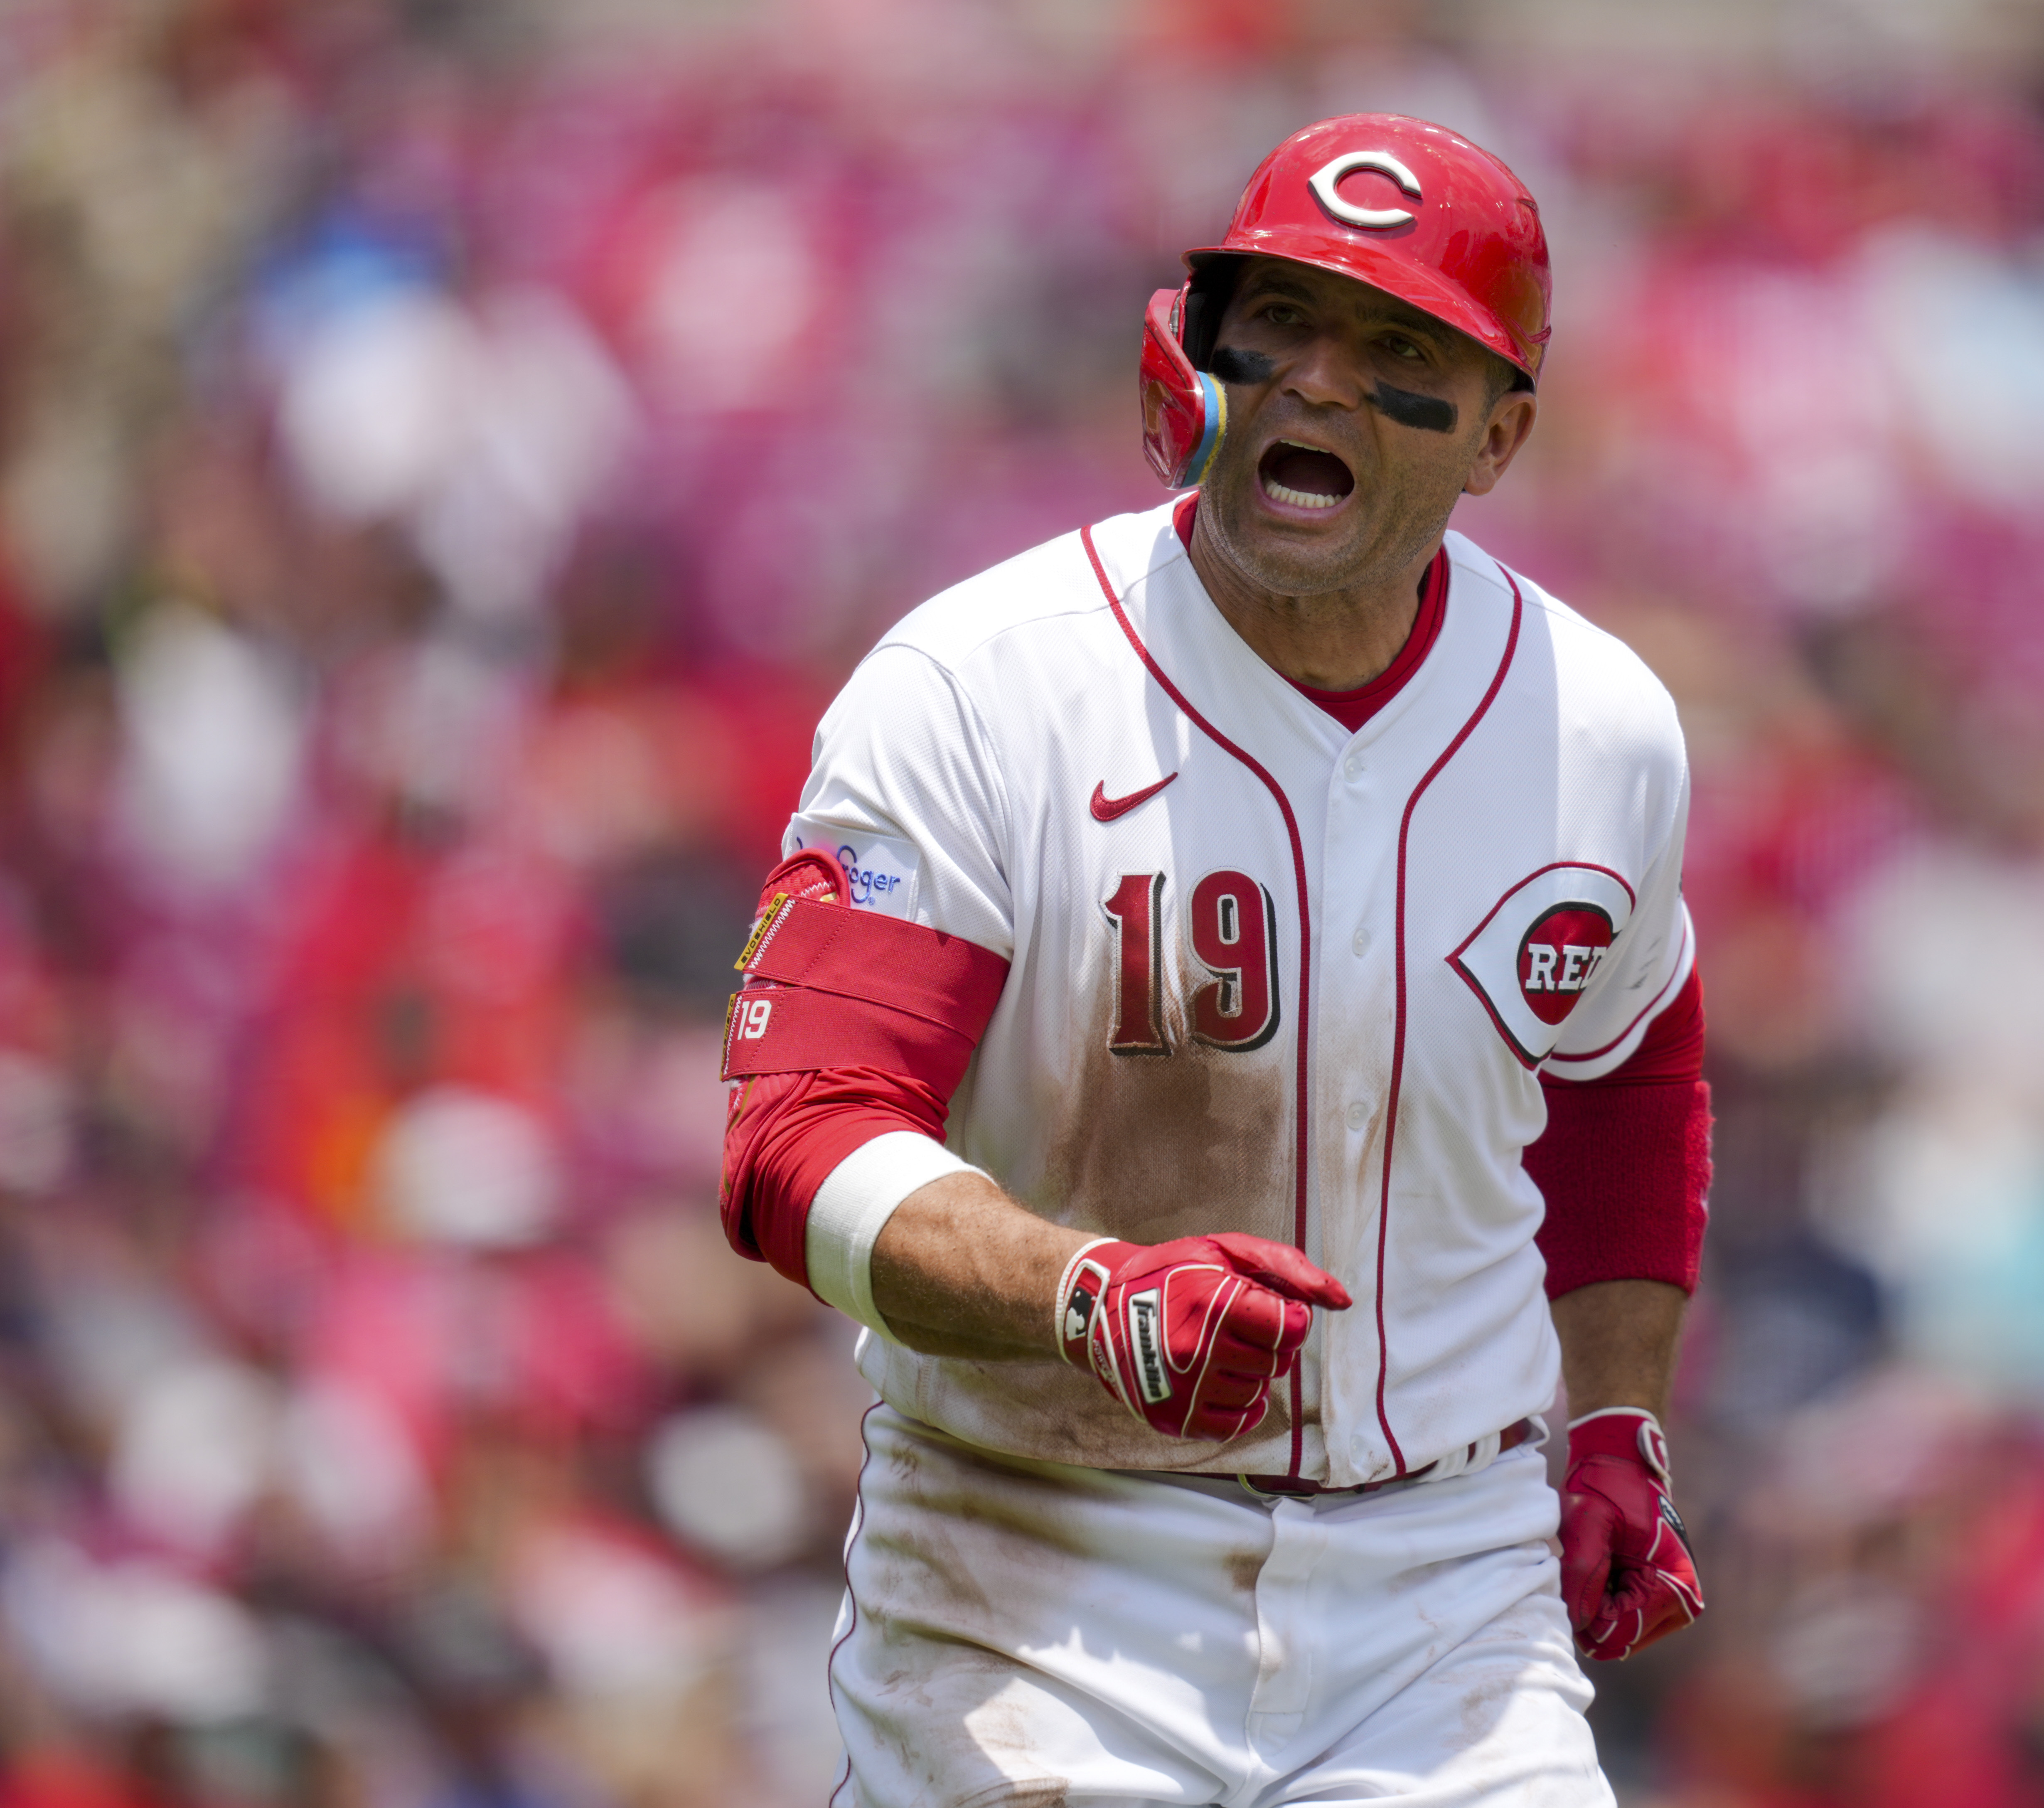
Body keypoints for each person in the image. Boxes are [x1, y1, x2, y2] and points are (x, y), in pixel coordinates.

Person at [717, 113, 1712, 1806]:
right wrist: (1082, 1291)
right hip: (1036, 1558)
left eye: (1401, 351)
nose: (1321, 384)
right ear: (1198, 345)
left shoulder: (1599, 724)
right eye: (1284, 321)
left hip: (1444, 1589)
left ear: (1498, 435)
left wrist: (1616, 1420)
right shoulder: (981, 681)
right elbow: (792, 1140)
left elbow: (1633, 1083)